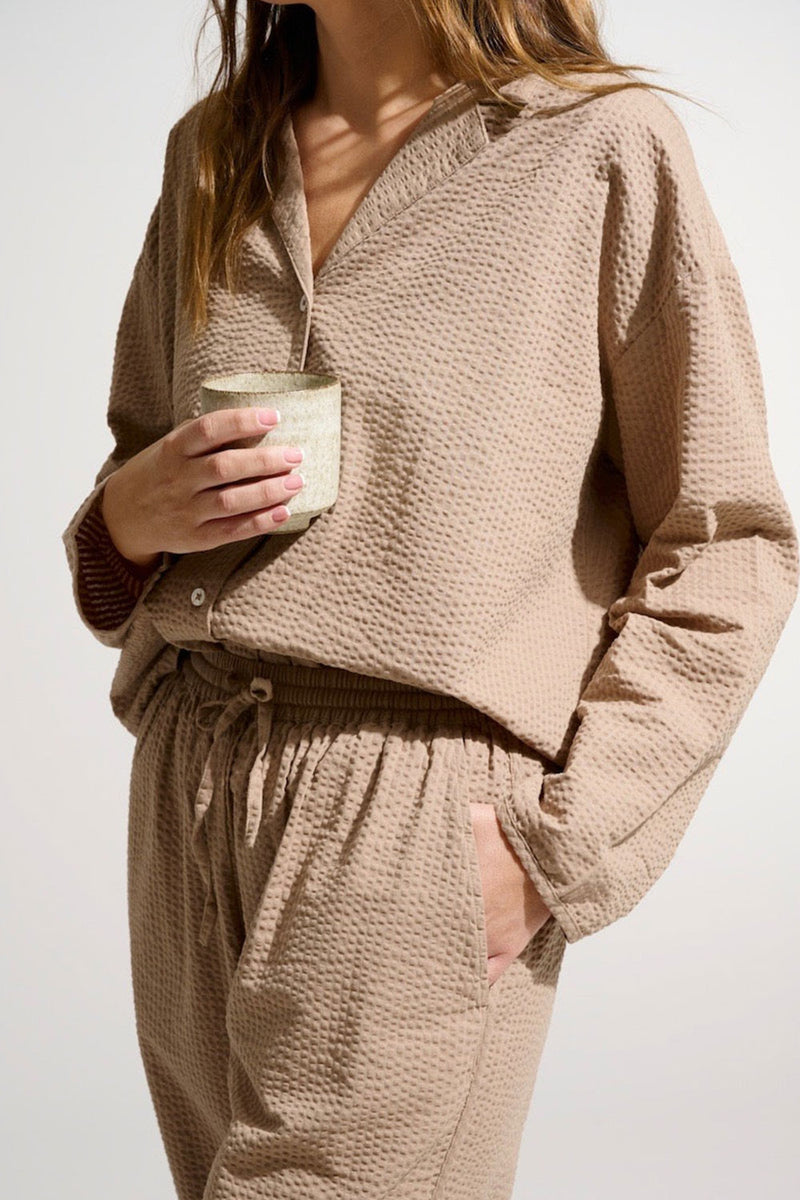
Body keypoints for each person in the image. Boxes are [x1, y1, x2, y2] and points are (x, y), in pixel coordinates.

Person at [61, 1, 799, 1198]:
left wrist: (556, 846)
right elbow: (138, 479)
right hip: (191, 786)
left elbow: (725, 543)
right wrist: (123, 521)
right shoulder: (212, 156)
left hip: (410, 817)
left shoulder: (596, 145)